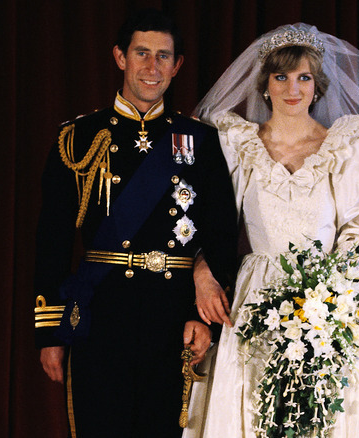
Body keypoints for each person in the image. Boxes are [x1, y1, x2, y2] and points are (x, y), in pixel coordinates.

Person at [184, 24, 359, 437]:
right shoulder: (236, 145)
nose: (293, 88)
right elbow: (207, 222)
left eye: (303, 77)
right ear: (265, 84)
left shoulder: (351, 148)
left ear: (317, 85)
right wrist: (202, 270)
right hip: (254, 296)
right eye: (281, 76)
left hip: (328, 297)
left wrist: (332, 299)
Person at [33, 9, 238, 437]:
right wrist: (50, 331)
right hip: (100, 317)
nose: (152, 67)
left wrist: (201, 318)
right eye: (142, 53)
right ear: (119, 57)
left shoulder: (198, 140)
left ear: (177, 65)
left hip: (172, 319)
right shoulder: (78, 138)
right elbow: (51, 241)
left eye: (164, 56)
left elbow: (221, 231)